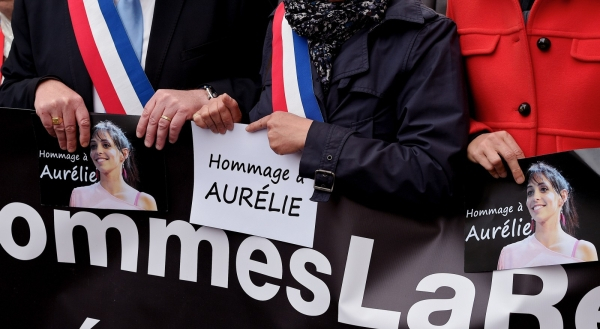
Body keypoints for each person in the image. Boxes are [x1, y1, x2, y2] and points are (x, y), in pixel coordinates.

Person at [194, 0, 469, 212]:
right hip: (278, 256)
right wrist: (231, 119)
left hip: (367, 259)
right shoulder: (284, 22)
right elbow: (270, 123)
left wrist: (316, 140)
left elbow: (435, 177)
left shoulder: (425, 34)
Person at [0, 0, 275, 153]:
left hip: (193, 219)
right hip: (78, 215)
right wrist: (40, 89)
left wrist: (208, 96)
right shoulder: (40, 5)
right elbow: (11, 90)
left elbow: (265, 88)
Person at [447, 0, 600, 184]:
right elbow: (441, 101)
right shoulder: (461, 4)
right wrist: (472, 137)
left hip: (588, 193)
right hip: (493, 195)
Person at [497, 162, 598, 270]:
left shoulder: (583, 250)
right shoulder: (509, 254)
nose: (535, 197)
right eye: (530, 192)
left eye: (543, 189)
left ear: (562, 196)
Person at [70, 120, 156, 211]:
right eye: (93, 146)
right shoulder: (79, 195)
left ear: (124, 154)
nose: (98, 151)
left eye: (106, 145)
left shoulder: (144, 201)